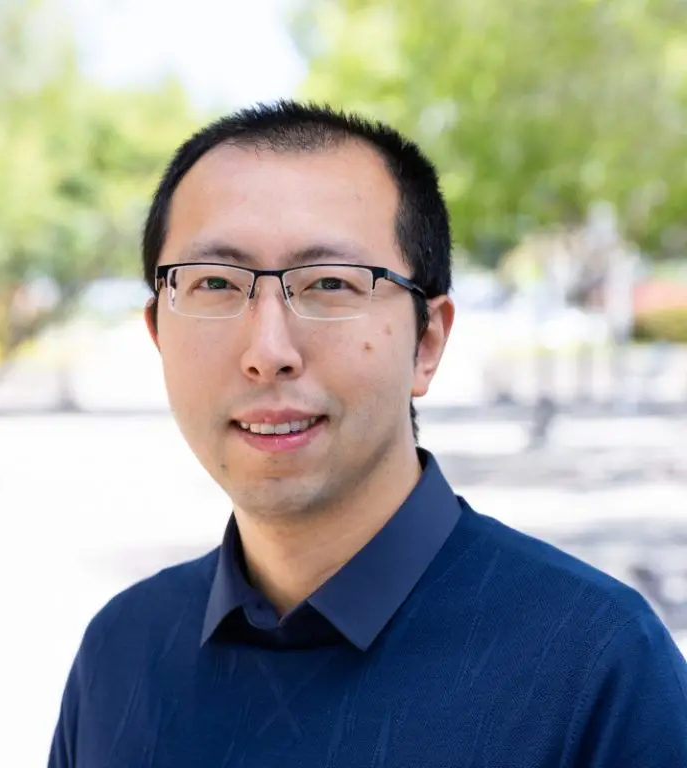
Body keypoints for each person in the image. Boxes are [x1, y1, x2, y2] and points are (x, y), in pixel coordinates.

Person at [48, 101, 687, 767]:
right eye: (214, 282)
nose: (268, 351)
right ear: (158, 333)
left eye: (329, 282)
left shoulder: (594, 665)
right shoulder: (122, 653)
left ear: (427, 342)